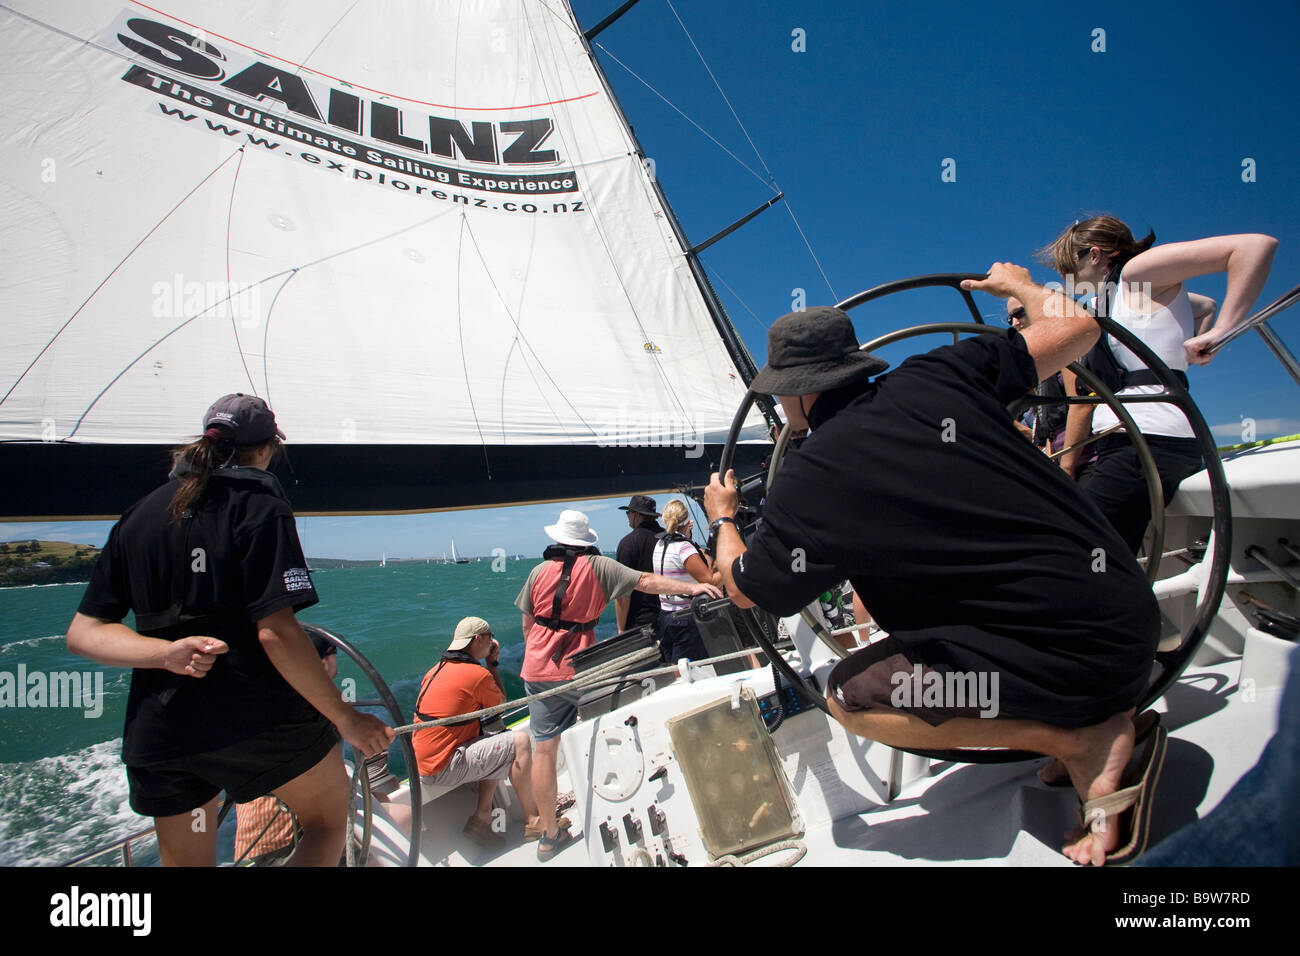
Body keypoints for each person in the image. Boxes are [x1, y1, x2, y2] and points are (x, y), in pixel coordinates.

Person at [704, 283, 1167, 866]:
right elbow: (1080, 326)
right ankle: (1087, 718)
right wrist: (1018, 285)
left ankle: (1081, 740)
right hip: (1134, 625)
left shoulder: (809, 480)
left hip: (1073, 666)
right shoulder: (944, 372)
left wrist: (723, 519)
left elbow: (745, 589)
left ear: (801, 393)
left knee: (848, 696)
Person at [66, 393, 393, 867]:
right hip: (253, 720)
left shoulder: (136, 517)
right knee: (327, 822)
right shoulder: (259, 503)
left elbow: (83, 632)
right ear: (268, 448)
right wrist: (348, 719)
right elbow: (275, 633)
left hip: (161, 734)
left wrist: (165, 653)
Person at [1038, 216, 1277, 552]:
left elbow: (1254, 246)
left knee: (1076, 546)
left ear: (1094, 255)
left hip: (1148, 443)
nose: (1064, 277)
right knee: (1104, 553)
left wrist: (1220, 332)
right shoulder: (1116, 297)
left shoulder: (1137, 273)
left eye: (1067, 266)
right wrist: (1191, 332)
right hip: (1127, 443)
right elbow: (1202, 304)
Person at [517, 509, 721, 860]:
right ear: (585, 541)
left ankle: (549, 836)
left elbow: (526, 626)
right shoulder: (598, 567)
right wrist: (693, 587)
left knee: (545, 750)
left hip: (537, 672)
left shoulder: (536, 572)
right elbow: (646, 582)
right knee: (614, 726)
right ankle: (633, 808)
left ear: (557, 539)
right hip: (582, 670)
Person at [407, 616, 544, 849]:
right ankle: (535, 821)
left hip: (423, 761)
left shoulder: (435, 670)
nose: (492, 643)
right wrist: (493, 664)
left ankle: (481, 819)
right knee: (519, 742)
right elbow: (500, 704)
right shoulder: (475, 674)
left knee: (496, 742)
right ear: (478, 639)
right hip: (443, 765)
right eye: (490, 638)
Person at [233, 628, 339, 864]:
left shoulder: (262, 714)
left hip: (252, 850)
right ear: (322, 664)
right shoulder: (305, 723)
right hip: (291, 847)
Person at [651, 500, 719, 663]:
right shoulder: (683, 548)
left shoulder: (659, 544)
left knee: (675, 666)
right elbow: (710, 582)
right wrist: (727, 565)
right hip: (686, 618)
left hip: (666, 614)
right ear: (688, 522)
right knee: (691, 667)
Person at [1006, 296, 1068, 455]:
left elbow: (1081, 406)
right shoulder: (1031, 372)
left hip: (1083, 456)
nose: (1014, 323)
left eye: (1020, 313)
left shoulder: (1068, 354)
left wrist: (1067, 466)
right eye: (1010, 318)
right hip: (1053, 455)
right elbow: (1040, 427)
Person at [614, 495, 664, 633]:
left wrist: (620, 629)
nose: (627, 516)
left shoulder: (628, 544)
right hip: (671, 615)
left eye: (628, 512)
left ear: (636, 515)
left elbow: (623, 593)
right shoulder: (670, 538)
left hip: (640, 623)